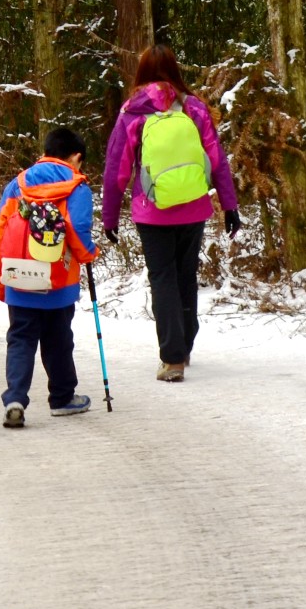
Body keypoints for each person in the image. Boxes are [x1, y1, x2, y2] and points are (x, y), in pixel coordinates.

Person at [100, 45, 241, 383]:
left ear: (142, 72)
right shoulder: (193, 108)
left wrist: (109, 216)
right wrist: (230, 204)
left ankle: (172, 359)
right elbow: (216, 160)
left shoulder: (133, 111)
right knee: (185, 276)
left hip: (152, 211)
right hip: (194, 206)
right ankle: (185, 344)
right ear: (175, 70)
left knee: (162, 278)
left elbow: (116, 168)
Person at [0, 126, 99, 428]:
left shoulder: (17, 185)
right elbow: (76, 229)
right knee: (59, 338)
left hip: (19, 274)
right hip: (58, 278)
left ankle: (14, 398)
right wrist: (89, 253)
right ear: (76, 157)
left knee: (21, 338)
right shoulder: (77, 187)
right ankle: (62, 398)